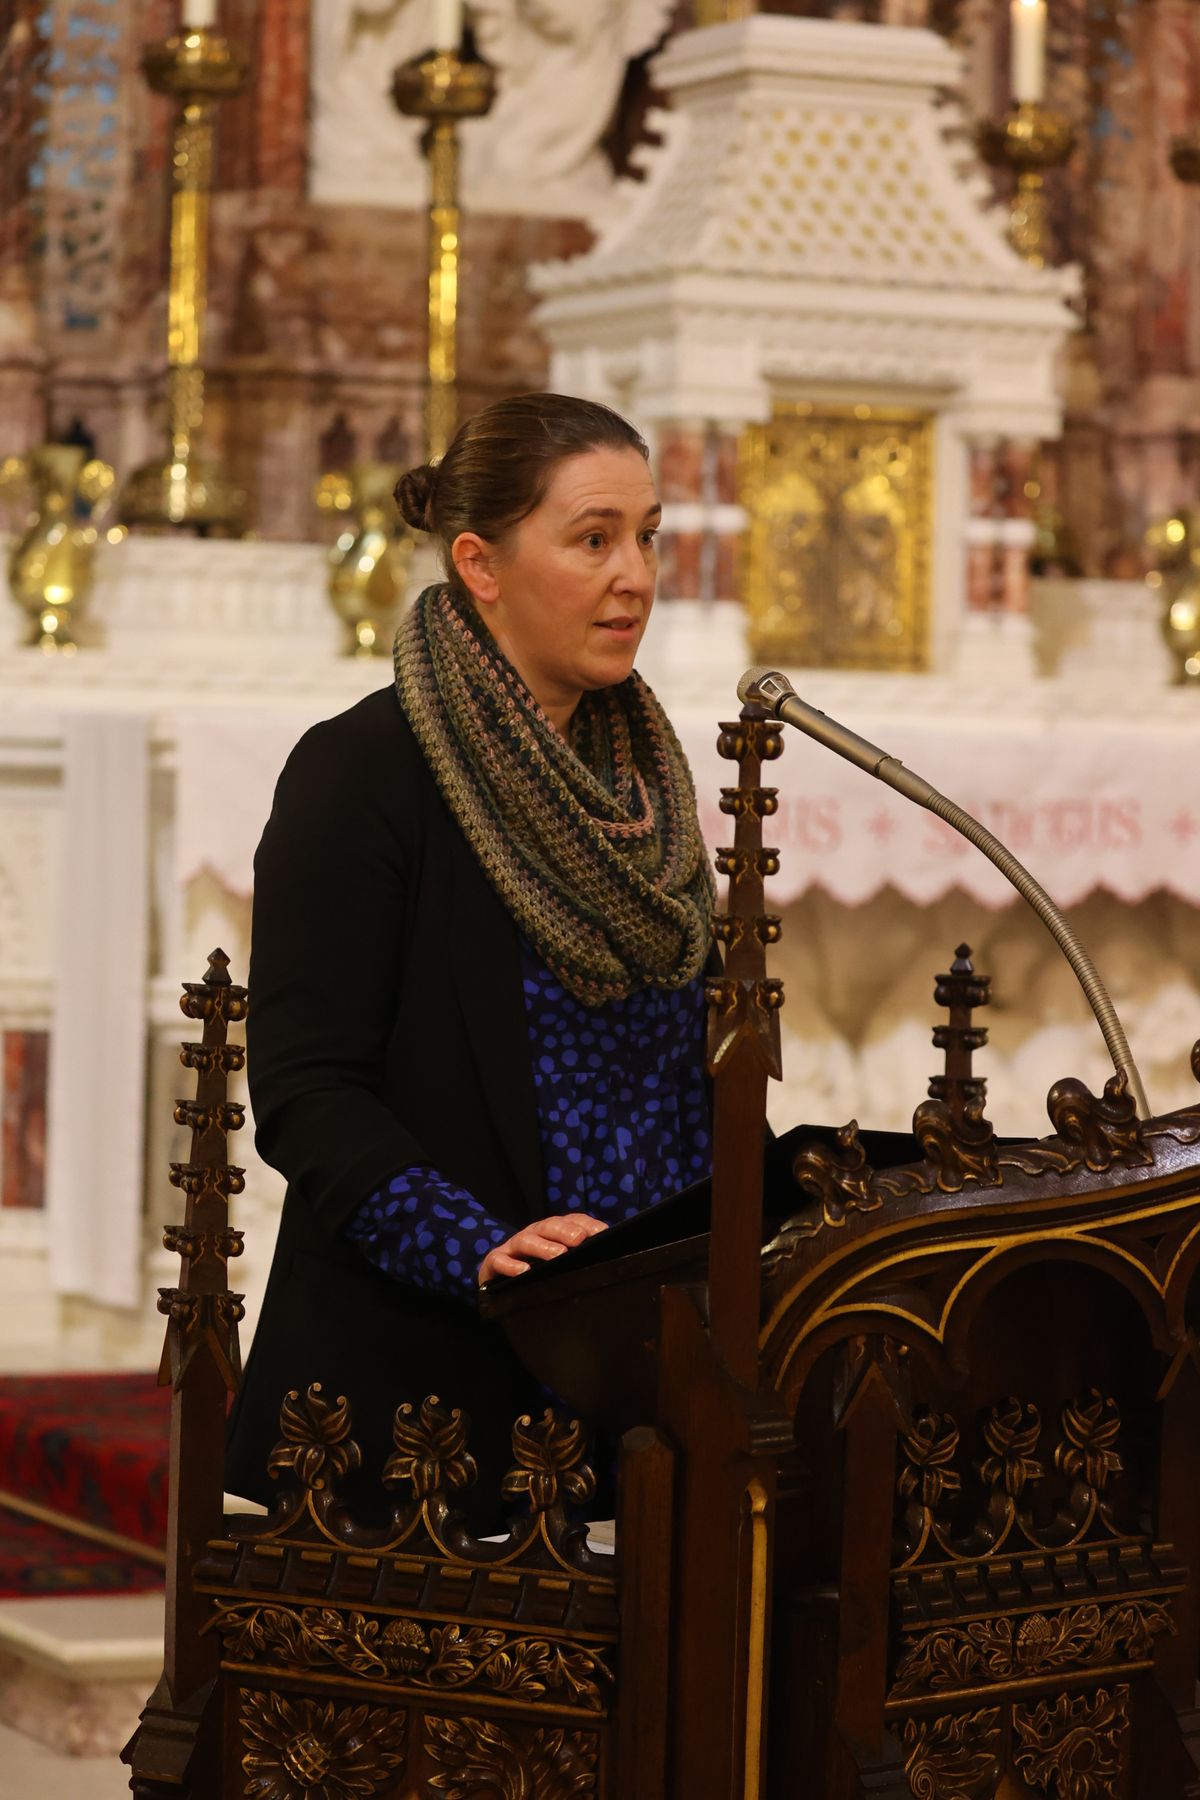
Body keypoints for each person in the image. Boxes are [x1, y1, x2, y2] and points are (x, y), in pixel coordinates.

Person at [225, 393, 717, 1520]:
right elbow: (309, 1089)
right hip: (429, 1394)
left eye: (648, 536)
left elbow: (686, 1090)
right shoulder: (364, 774)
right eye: (594, 539)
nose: (636, 574)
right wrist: (477, 1246)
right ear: (479, 564)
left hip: (646, 1386)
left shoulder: (652, 797)